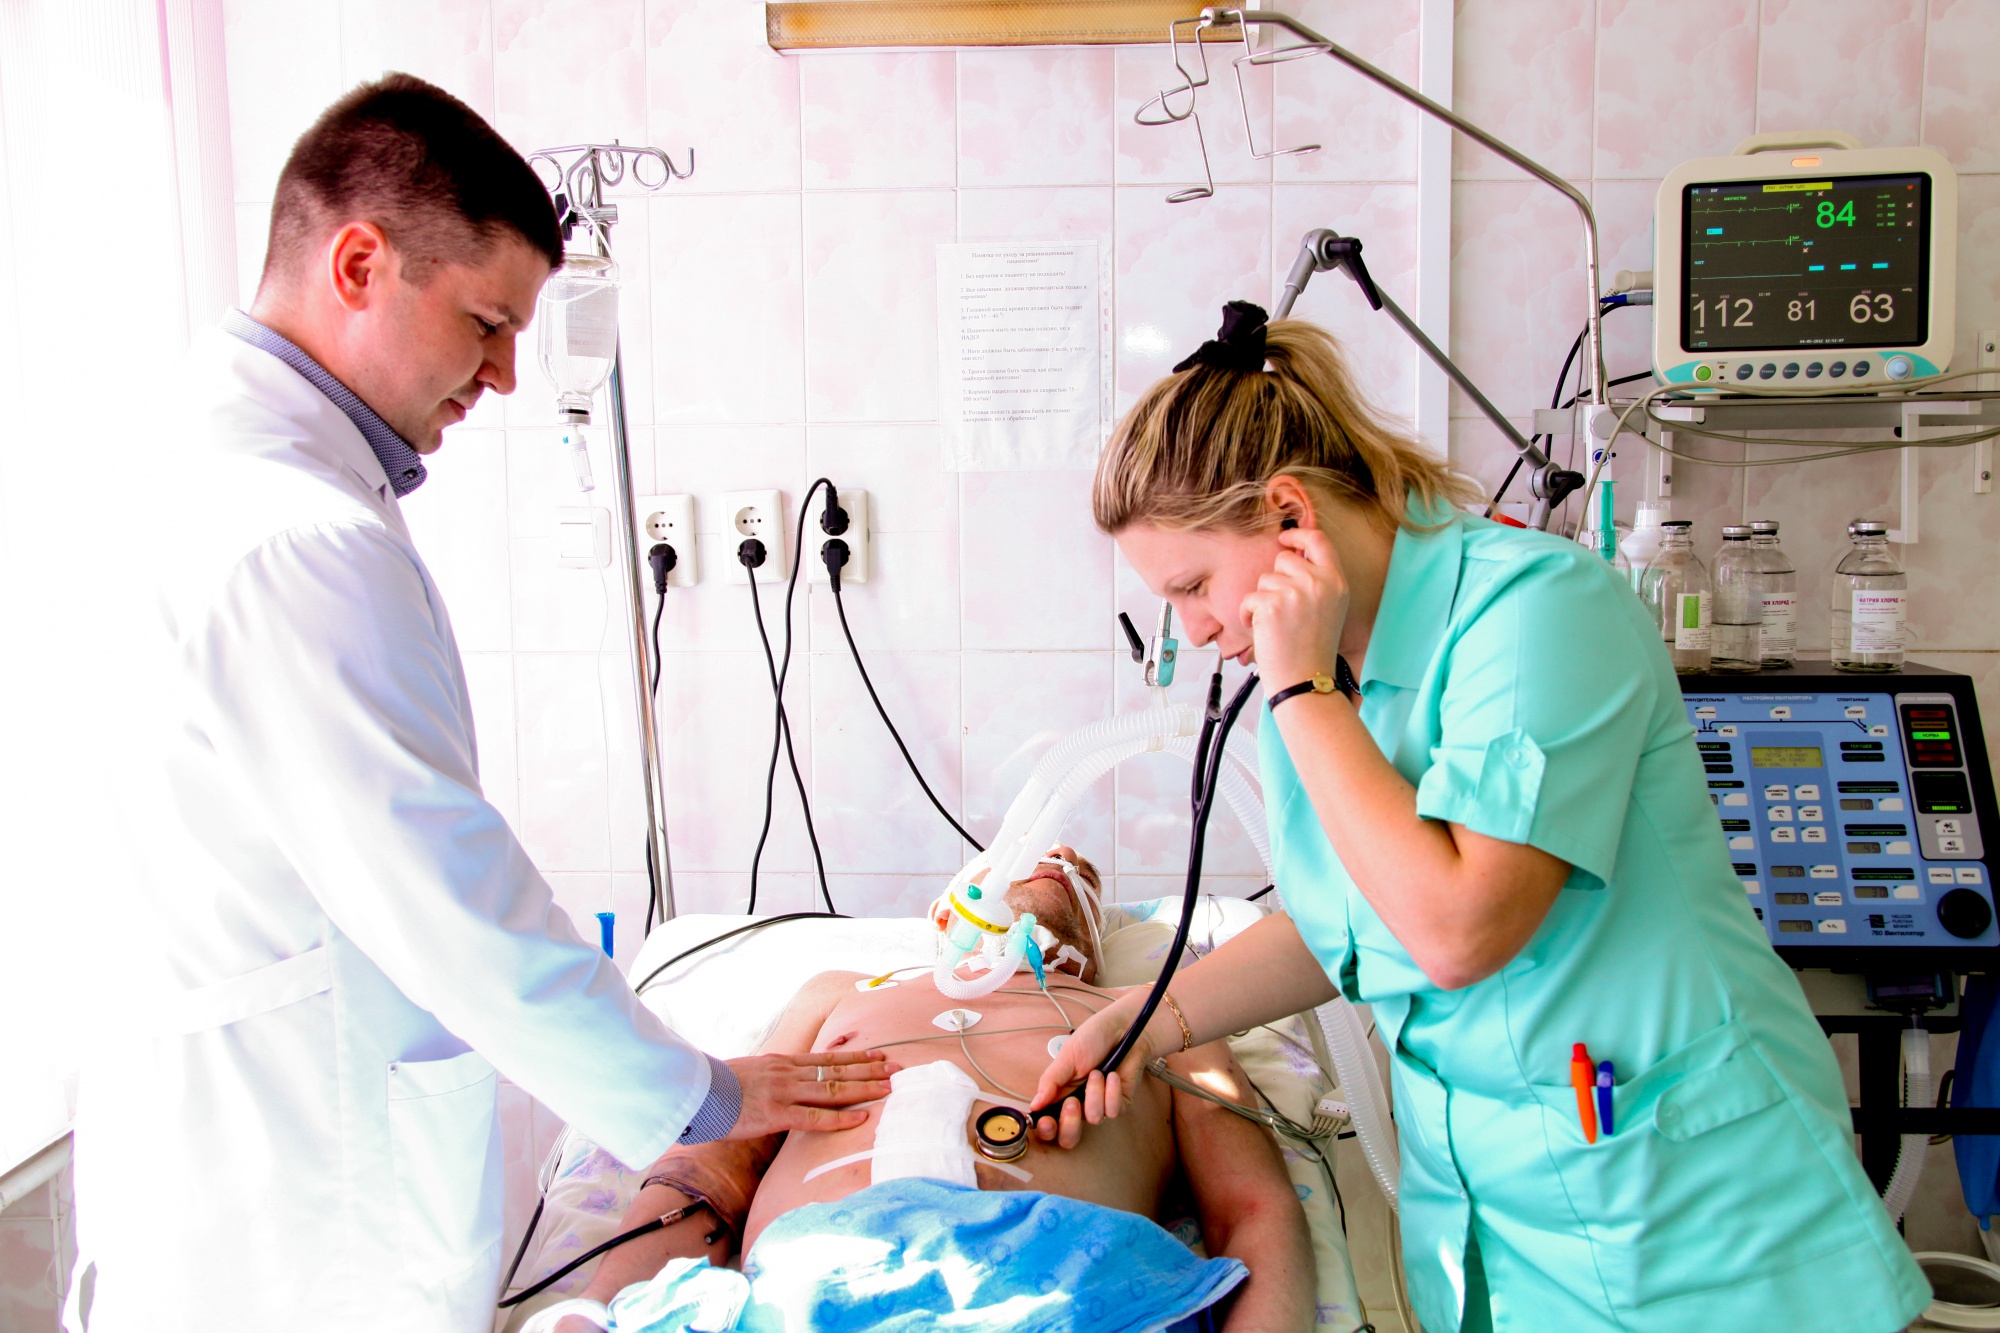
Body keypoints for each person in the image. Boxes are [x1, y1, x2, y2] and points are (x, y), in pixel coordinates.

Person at [73, 74, 888, 1333]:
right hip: (295, 1193)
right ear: (359, 262)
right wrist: (706, 1099)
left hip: (216, 1147)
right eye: (486, 323)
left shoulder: (205, 465)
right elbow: (450, 898)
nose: (506, 375)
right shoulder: (294, 539)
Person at [1032, 303, 1931, 1332]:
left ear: (1287, 516)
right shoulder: (1311, 680)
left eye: (1191, 586)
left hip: (1688, 1207)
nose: (1191, 630)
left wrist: (1301, 697)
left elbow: (1457, 926)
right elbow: (1356, 918)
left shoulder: (1536, 613)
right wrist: (1144, 1024)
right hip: (1492, 1221)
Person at [528, 847, 1315, 1333]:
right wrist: (595, 1308)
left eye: (1071, 874)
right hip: (816, 1274)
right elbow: (708, 1167)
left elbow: (1253, 1207)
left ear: (1091, 936)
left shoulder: (1166, 1013)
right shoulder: (841, 991)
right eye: (1019, 862)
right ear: (949, 912)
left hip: (1057, 1277)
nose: (1051, 863)